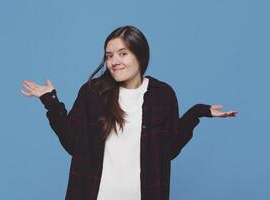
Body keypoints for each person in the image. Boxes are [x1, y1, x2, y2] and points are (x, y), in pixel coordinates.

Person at [20, 25, 237, 200]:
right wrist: (50, 100)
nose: (114, 61)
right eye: (109, 55)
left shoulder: (162, 95)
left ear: (140, 56)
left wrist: (196, 113)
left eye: (122, 53)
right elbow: (73, 143)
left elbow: (168, 150)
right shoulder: (93, 93)